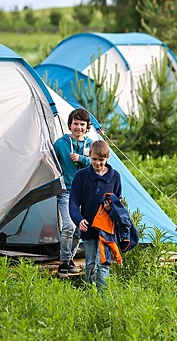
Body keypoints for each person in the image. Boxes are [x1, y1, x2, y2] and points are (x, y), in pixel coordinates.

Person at [69, 140, 122, 288]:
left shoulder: (115, 176)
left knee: (103, 263)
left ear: (108, 158)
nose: (98, 163)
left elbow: (119, 202)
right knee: (90, 262)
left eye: (101, 160)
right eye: (94, 159)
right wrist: (78, 219)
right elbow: (73, 202)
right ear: (89, 156)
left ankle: (104, 297)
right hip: (88, 226)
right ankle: (90, 293)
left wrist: (111, 208)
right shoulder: (81, 176)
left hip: (106, 228)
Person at [53, 108, 92, 279]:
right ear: (70, 125)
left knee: (79, 230)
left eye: (82, 124)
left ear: (87, 126)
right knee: (68, 226)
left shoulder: (91, 144)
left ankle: (69, 259)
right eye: (75, 123)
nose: (78, 127)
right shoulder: (60, 143)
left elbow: (98, 163)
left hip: (85, 193)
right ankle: (63, 262)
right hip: (67, 192)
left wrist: (82, 159)